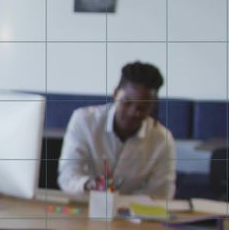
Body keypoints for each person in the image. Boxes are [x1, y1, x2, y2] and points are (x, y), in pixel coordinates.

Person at [58, 61, 176, 199]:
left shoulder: (162, 139)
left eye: (143, 107)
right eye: (127, 103)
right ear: (115, 93)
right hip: (87, 203)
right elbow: (68, 175)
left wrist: (123, 204)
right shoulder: (84, 121)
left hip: (136, 211)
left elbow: (161, 193)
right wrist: (88, 184)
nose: (133, 113)